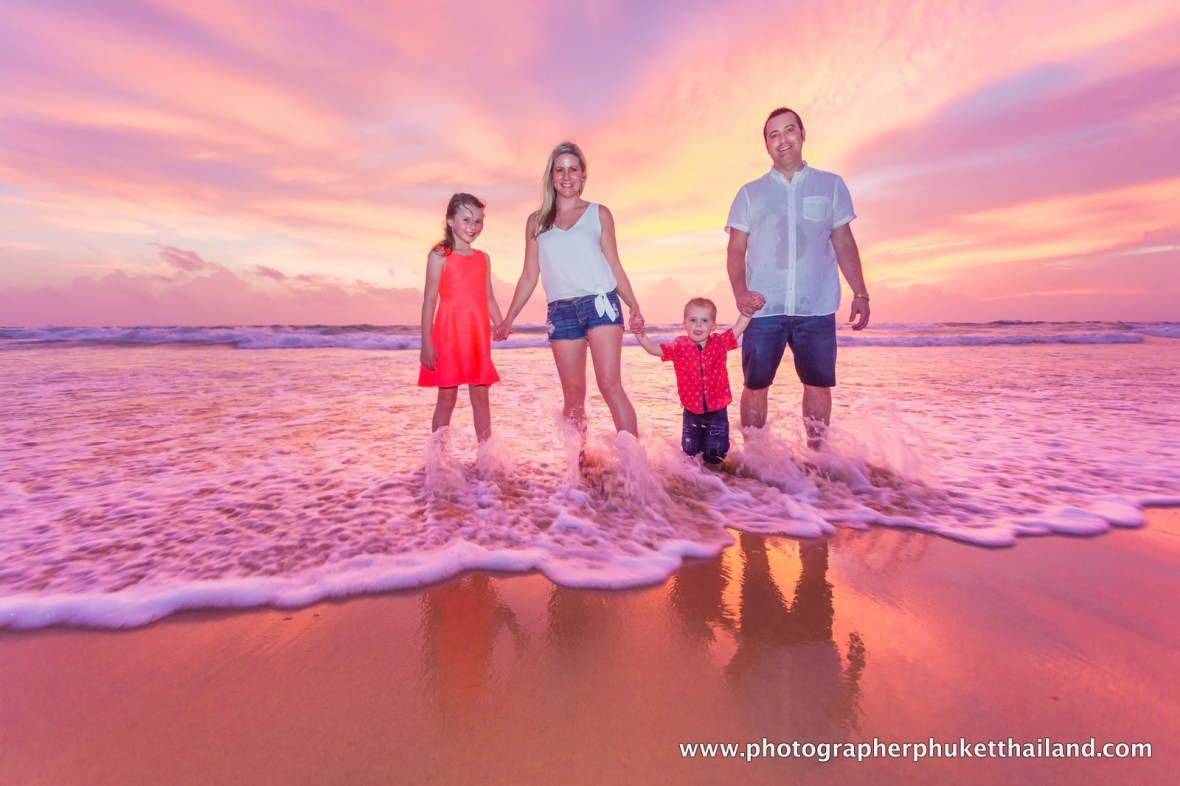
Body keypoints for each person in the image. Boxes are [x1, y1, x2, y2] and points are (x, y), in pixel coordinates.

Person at [726, 107, 870, 448]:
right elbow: (735, 250)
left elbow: (844, 241)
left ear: (802, 135)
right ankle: (755, 459)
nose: (782, 140)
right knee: (755, 384)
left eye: (789, 131)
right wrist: (740, 292)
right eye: (773, 135)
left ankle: (818, 461)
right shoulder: (750, 193)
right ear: (766, 145)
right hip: (763, 307)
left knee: (818, 384)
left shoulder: (831, 185)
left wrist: (860, 293)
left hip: (816, 304)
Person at [495, 142, 645, 436]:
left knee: (609, 385)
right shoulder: (536, 222)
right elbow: (529, 275)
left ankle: (635, 467)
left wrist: (633, 304)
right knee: (573, 399)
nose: (566, 176)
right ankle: (580, 470)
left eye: (572, 169)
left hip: (600, 304)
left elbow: (614, 263)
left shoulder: (599, 214)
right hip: (560, 312)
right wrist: (508, 318)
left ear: (583, 175)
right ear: (551, 176)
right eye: (559, 170)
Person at [419, 193, 503, 442]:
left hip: (476, 336)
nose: (472, 227)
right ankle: (437, 458)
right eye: (466, 219)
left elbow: (488, 298)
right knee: (446, 398)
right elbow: (430, 300)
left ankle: (485, 457)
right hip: (448, 335)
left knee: (481, 396)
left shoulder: (483, 258)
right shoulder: (440, 254)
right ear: (450, 220)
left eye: (478, 221)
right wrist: (425, 341)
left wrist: (500, 324)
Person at [635, 297, 750, 465]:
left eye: (705, 321)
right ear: (685, 324)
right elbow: (653, 348)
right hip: (691, 412)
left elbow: (738, 328)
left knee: (716, 452)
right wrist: (639, 334)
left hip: (717, 411)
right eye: (693, 320)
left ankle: (717, 484)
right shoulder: (678, 347)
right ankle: (697, 483)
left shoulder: (719, 343)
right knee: (690, 453)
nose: (698, 325)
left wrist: (748, 312)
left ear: (713, 326)